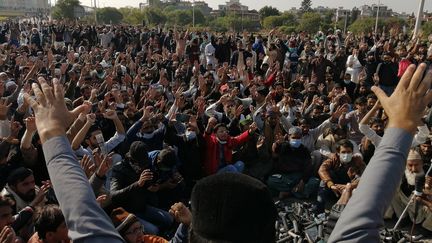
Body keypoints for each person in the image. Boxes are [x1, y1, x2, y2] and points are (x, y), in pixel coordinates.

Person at [329, 63, 432, 242]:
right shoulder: (379, 140)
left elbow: (424, 134)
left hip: (392, 179)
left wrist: (417, 120)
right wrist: (383, 111)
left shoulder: (407, 142)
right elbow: (363, 126)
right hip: (381, 178)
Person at [24, 77, 124, 242]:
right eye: (65, 225)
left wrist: (51, 129)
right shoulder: (79, 151)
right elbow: (70, 142)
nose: (71, 228)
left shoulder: (101, 149)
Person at [384, 150, 432, 232]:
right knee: (392, 190)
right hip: (407, 205)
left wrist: (428, 189)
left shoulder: (428, 173)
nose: (413, 169)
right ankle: (403, 218)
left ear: (421, 163)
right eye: (410, 165)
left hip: (424, 207)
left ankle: (426, 228)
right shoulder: (401, 172)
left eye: (416, 165)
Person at [315, 139, 365, 213]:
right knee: (323, 182)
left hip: (348, 189)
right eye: (343, 152)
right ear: (338, 153)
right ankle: (319, 211)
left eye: (349, 152)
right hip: (334, 189)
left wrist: (350, 186)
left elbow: (365, 178)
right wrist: (330, 184)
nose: (346, 154)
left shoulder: (358, 161)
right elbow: (322, 170)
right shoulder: (333, 159)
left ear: (352, 152)